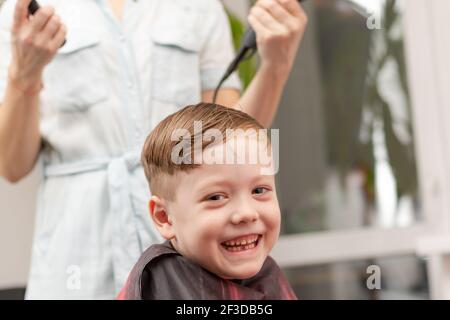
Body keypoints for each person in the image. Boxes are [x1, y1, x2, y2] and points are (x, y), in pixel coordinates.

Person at [0, 0, 307, 299]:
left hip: (189, 274)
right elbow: (11, 165)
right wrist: (24, 74)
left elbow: (229, 150)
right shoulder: (22, 14)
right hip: (77, 266)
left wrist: (276, 65)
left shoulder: (199, 6)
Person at [118, 103, 296, 300]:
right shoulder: (163, 285)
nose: (246, 213)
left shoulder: (267, 274)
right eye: (216, 197)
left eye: (259, 190)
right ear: (164, 217)